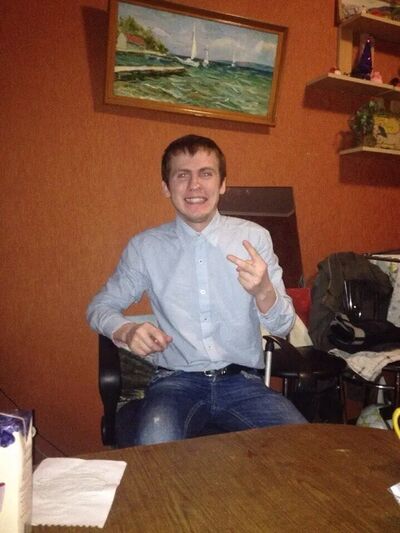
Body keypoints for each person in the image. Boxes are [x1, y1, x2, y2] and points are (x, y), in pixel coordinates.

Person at [87, 134, 306, 446]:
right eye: (182, 175)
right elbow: (99, 306)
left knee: (304, 446)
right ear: (166, 187)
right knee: (155, 448)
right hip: (175, 384)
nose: (194, 185)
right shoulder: (145, 247)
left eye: (206, 173)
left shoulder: (254, 238)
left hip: (243, 383)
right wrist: (125, 330)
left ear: (222, 184)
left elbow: (283, 326)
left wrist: (263, 291)